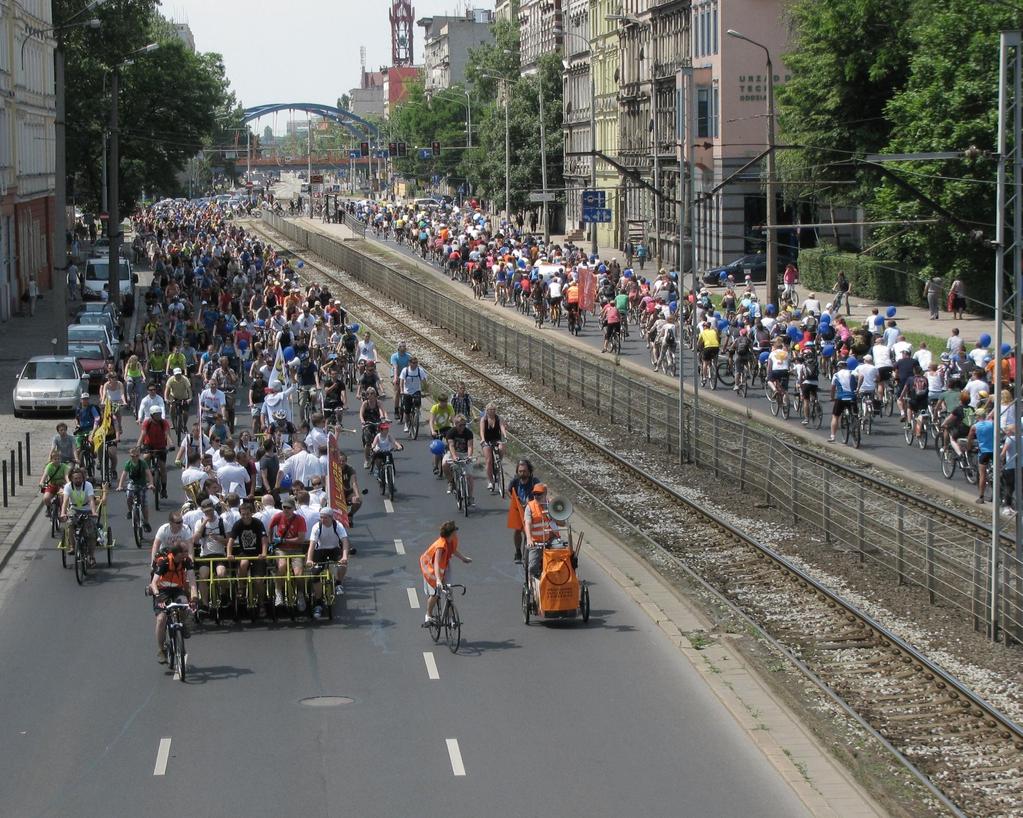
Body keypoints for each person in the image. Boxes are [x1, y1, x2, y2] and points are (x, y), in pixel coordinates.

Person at [149, 529, 199, 665]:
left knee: (185, 605)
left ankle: (185, 627)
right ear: (176, 554)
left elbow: (192, 581)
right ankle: (161, 649)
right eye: (184, 552)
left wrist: (194, 597)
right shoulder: (164, 562)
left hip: (177, 589)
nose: (186, 554)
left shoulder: (186, 561)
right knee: (161, 619)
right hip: (162, 591)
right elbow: (153, 583)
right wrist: (158, 597)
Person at [419, 520, 472, 626]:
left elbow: (453, 550)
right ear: (451, 533)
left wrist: (463, 558)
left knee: (449, 590)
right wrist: (438, 580)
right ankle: (428, 616)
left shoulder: (451, 540)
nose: (456, 532)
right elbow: (436, 564)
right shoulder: (440, 546)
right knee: (435, 593)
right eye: (455, 531)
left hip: (444, 565)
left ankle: (451, 619)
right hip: (430, 567)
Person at [306, 507, 351, 620]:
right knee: (314, 574)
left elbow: (345, 542)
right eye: (321, 517)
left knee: (342, 564)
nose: (323, 520)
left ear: (331, 518)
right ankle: (318, 603)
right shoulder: (317, 527)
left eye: (325, 518)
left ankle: (338, 583)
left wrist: (345, 556)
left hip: (334, 549)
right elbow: (312, 545)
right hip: (320, 550)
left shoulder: (338, 526)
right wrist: (309, 559)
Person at [267, 497, 308, 610]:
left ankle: (300, 595)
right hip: (281, 549)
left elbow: (301, 539)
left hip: (296, 549)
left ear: (293, 508)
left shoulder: (300, 519)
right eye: (284, 507)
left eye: (288, 508)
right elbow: (270, 529)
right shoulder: (278, 516)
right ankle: (278, 593)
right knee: (281, 566)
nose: (286, 510)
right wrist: (271, 542)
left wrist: (284, 540)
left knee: (298, 573)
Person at [227, 501, 268, 611]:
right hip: (244, 553)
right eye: (243, 514)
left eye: (247, 514)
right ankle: (241, 587)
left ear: (252, 513)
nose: (245, 517)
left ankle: (261, 602)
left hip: (257, 553)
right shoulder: (238, 524)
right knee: (243, 563)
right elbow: (231, 540)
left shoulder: (258, 523)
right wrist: (229, 554)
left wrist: (264, 553)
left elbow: (264, 539)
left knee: (258, 581)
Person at [523, 483, 561, 591]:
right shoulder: (530, 507)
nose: (536, 496)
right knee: (532, 566)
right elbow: (528, 524)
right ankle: (533, 586)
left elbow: (562, 523)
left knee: (561, 557)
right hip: (536, 541)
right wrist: (529, 539)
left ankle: (558, 580)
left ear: (545, 494)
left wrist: (554, 515)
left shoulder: (551, 505)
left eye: (539, 494)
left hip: (550, 539)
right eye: (535, 494)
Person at [60, 467, 98, 566]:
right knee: (70, 523)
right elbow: (65, 501)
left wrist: (94, 512)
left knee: (91, 534)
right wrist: (63, 513)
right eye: (75, 478)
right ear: (71, 479)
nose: (78, 480)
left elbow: (91, 500)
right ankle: (72, 546)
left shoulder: (88, 485)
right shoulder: (68, 486)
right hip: (74, 509)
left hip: (86, 509)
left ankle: (91, 556)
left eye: (80, 478)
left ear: (83, 478)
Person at [506, 459, 539, 563]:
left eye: (524, 471)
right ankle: (518, 552)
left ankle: (529, 552)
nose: (522, 473)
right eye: (520, 471)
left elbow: (541, 491)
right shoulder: (515, 481)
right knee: (517, 530)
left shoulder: (535, 481)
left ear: (529, 471)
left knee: (528, 531)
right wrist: (514, 499)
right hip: (518, 509)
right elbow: (508, 491)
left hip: (530, 509)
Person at [116, 446, 154, 532]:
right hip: (132, 484)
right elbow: (124, 475)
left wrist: (151, 484)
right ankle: (130, 511)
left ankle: (146, 523)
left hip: (142, 485)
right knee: (129, 496)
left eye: (136, 456)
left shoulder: (143, 463)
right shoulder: (128, 464)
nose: (135, 458)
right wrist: (120, 486)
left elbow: (148, 474)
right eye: (133, 456)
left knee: (144, 504)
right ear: (130, 456)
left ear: (139, 455)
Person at [138, 405, 171, 498]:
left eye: (160, 414)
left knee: (163, 467)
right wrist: (138, 446)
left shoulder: (164, 422)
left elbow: (167, 434)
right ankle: (148, 473)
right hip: (149, 445)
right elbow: (143, 434)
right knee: (145, 457)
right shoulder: (147, 422)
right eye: (157, 414)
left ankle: (164, 489)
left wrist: (171, 444)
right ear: (152, 415)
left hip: (161, 446)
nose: (159, 416)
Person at [443, 414, 475, 504]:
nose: (463, 427)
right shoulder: (451, 432)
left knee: (470, 476)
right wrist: (454, 457)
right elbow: (451, 445)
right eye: (460, 425)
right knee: (444, 463)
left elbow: (470, 446)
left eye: (464, 425)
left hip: (464, 454)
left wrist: (469, 456)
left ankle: (471, 497)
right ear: (455, 424)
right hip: (454, 453)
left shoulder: (468, 433)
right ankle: (450, 482)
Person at [479, 402, 507, 493]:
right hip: (486, 440)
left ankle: (498, 462)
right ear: (487, 411)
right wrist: (483, 439)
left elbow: (502, 427)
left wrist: (505, 435)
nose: (492, 411)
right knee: (488, 461)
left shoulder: (499, 418)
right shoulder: (484, 419)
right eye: (490, 410)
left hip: (496, 439)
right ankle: (490, 481)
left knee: (502, 446)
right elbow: (482, 431)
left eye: (494, 410)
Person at [969, 411, 996, 504]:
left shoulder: (975, 426)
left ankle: (981, 497)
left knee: (982, 475)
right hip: (994, 451)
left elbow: (970, 439)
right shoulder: (992, 423)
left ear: (977, 416)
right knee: (998, 471)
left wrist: (969, 448)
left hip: (984, 453)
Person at [828, 360, 858, 443]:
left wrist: (832, 397)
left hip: (841, 398)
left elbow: (833, 388)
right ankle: (855, 427)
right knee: (855, 415)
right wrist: (858, 388)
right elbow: (861, 376)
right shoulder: (852, 372)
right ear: (846, 366)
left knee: (835, 416)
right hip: (852, 396)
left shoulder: (836, 375)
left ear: (839, 367)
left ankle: (832, 436)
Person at [399, 356, 428, 433]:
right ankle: (406, 423)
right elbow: (401, 381)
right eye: (413, 363)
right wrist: (402, 390)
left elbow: (424, 381)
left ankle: (417, 413)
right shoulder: (405, 370)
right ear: (409, 363)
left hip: (416, 391)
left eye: (416, 363)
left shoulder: (419, 370)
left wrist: (425, 391)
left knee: (418, 404)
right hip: (407, 392)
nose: (415, 364)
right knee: (407, 411)